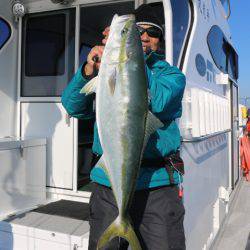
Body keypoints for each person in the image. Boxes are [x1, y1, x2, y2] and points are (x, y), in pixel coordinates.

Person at [62, 4, 186, 250]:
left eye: (153, 33)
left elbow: (158, 102)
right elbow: (73, 106)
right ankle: (120, 221)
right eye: (138, 31)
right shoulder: (106, 70)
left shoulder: (172, 76)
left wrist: (132, 59)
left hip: (157, 188)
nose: (144, 37)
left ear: (159, 42)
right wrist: (89, 71)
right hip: (108, 188)